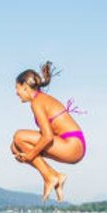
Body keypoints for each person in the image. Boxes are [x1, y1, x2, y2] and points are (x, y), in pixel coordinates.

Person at [12, 61, 86, 202]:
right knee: (15, 147)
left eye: (17, 88)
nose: (16, 93)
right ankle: (53, 175)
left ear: (25, 87)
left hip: (72, 145)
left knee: (19, 136)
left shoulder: (37, 102)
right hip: (71, 145)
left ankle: (50, 177)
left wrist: (30, 156)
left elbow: (47, 137)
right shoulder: (40, 100)